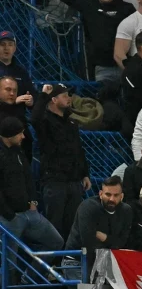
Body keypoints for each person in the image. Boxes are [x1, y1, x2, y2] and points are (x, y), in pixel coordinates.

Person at [31, 83, 87, 238]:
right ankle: (53, 261)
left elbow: (78, 149)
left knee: (72, 225)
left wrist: (85, 173)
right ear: (54, 100)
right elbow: (34, 119)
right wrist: (43, 95)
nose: (68, 98)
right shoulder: (46, 122)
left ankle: (68, 261)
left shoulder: (71, 123)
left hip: (74, 180)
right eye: (64, 95)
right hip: (55, 181)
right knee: (54, 225)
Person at [0, 116, 61, 249]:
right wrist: (9, 215)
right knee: (9, 264)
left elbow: (29, 179)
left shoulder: (19, 151)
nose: (23, 136)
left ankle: (31, 271)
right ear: (10, 135)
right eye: (20, 133)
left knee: (56, 242)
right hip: (10, 217)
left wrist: (33, 202)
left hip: (29, 211)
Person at [66, 176, 133, 260]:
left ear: (122, 196)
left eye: (116, 195)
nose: (112, 199)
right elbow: (88, 243)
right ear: (100, 194)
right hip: (77, 260)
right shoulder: (88, 207)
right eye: (108, 194)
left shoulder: (126, 211)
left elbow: (122, 242)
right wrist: (112, 242)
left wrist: (104, 237)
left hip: (106, 260)